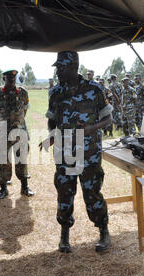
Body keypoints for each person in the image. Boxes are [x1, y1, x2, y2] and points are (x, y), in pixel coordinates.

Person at [43, 51, 112, 253]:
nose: (58, 72)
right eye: (57, 68)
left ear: (74, 67)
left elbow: (108, 119)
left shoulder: (95, 89)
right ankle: (64, 235)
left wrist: (92, 128)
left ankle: (103, 231)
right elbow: (51, 119)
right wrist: (52, 134)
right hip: (64, 153)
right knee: (64, 192)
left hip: (89, 152)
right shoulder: (55, 92)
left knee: (92, 192)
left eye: (61, 68)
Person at [0, 70, 34, 200]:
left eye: (13, 77)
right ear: (4, 78)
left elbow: (25, 109)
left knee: (22, 159)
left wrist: (17, 122)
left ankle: (25, 187)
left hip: (20, 132)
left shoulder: (23, 92)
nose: (11, 79)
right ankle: (3, 189)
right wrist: (3, 121)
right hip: (3, 132)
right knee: (3, 161)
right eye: (9, 77)